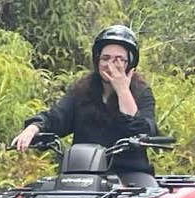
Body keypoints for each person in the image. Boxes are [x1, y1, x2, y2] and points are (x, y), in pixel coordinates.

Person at [11, 25, 159, 187]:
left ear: (130, 63)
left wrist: (123, 90)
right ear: (97, 60)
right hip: (81, 173)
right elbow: (58, 116)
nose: (110, 65)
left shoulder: (141, 92)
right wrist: (34, 128)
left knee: (148, 195)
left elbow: (143, 130)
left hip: (129, 172)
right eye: (105, 58)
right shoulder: (82, 90)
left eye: (119, 60)